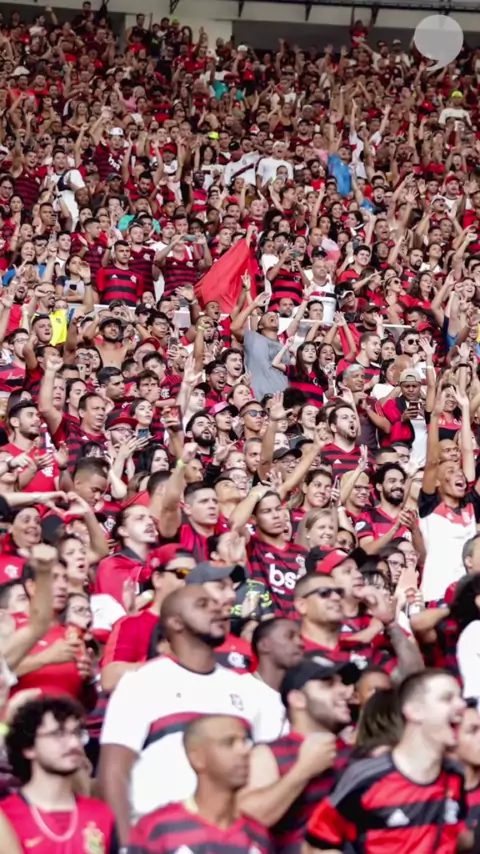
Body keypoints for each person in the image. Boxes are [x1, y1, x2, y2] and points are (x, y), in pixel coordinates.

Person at [99, 585, 267, 845]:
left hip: (230, 840)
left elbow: (262, 772)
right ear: (175, 622)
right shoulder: (142, 683)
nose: (217, 609)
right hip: (159, 839)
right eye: (203, 605)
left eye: (217, 604)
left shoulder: (246, 690)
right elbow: (113, 771)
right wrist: (125, 845)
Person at [305, 669, 472, 854]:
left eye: (460, 697)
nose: (462, 704)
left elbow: (453, 837)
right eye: (447, 698)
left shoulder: (455, 775)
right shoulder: (367, 777)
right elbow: (315, 845)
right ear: (415, 711)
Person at [238, 658, 354, 852]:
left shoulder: (358, 754)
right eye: (328, 684)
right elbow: (251, 818)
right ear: (298, 699)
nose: (345, 691)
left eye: (342, 683)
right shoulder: (269, 753)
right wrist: (303, 770)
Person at [127, 715, 273, 854]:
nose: (244, 751)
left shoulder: (258, 836)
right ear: (197, 758)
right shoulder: (157, 829)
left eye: (245, 742)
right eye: (229, 743)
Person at [1, 696, 117, 854]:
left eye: (77, 733)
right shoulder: (6, 816)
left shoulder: (103, 814)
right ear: (28, 747)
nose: (74, 743)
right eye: (58, 734)